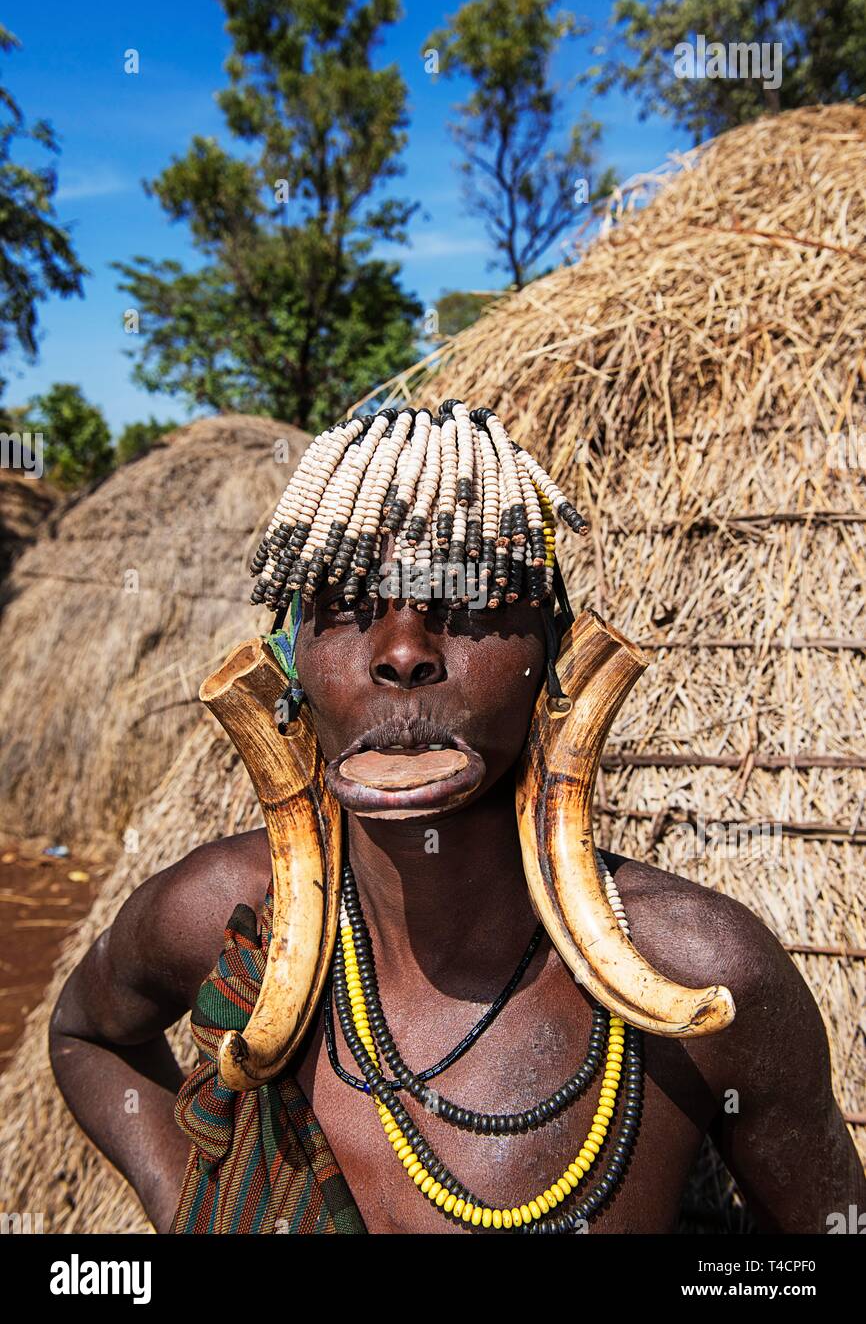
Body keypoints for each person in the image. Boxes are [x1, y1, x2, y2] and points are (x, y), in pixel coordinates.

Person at [50, 402, 863, 1234]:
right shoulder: (219, 913)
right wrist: (189, 1201)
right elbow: (86, 1035)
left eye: (469, 594)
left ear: (554, 655)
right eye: (347, 598)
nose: (404, 650)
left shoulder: (704, 980)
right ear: (289, 664)